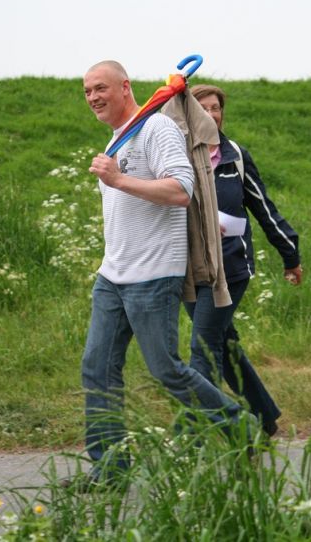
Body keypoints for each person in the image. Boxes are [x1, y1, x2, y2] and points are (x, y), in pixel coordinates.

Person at [77, 62, 245, 484]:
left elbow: (180, 190)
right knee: (97, 368)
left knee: (166, 369)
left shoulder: (156, 128)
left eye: (100, 88)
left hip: (153, 275)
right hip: (113, 276)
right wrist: (117, 179)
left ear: (125, 87)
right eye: (87, 91)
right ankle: (110, 469)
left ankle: (241, 428)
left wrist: (118, 179)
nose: (93, 97)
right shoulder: (118, 137)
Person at [185, 84, 303, 437]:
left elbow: (264, 209)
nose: (211, 115)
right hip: (189, 271)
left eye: (216, 108)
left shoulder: (234, 156)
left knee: (204, 348)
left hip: (231, 270)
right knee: (224, 344)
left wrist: (290, 254)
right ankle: (264, 418)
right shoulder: (176, 156)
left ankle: (197, 435)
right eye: (203, 109)